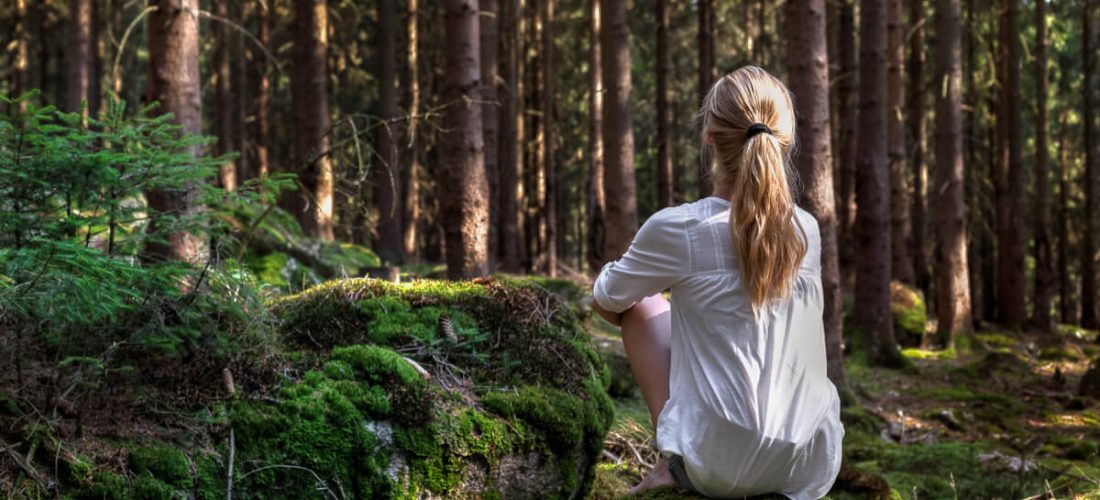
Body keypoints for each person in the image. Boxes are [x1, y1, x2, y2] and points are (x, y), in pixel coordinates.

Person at [591, 66, 843, 499]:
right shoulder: (806, 230)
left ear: (710, 136)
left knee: (642, 304)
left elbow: (606, 298)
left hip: (714, 468)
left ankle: (672, 462)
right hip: (808, 465)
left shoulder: (680, 228)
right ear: (784, 139)